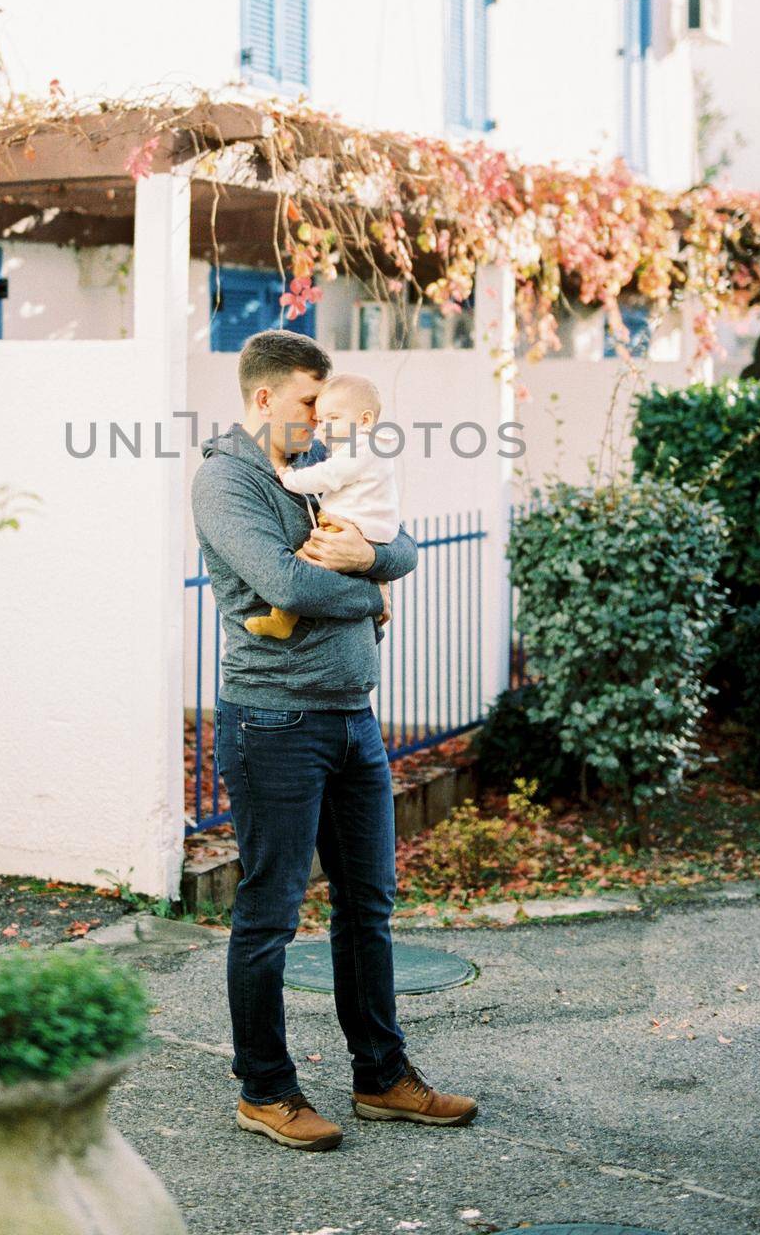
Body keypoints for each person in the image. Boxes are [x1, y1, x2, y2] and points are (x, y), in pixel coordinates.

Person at [191, 330, 478, 1152]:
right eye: (310, 402)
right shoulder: (227, 479)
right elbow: (282, 583)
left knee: (369, 906)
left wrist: (368, 556)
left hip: (354, 715)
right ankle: (265, 1091)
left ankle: (382, 1078)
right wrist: (368, 592)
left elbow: (404, 546)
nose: (324, 416)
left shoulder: (331, 463)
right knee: (270, 914)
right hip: (273, 720)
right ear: (263, 399)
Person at [246, 371, 400, 641]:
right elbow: (287, 586)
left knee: (307, 559)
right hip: (369, 529)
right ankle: (375, 610)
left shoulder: (358, 449)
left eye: (333, 419)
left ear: (364, 420)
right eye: (315, 410)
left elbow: (327, 475)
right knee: (359, 574)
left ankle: (282, 620)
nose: (320, 424)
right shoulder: (360, 447)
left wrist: (289, 478)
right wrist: (374, 590)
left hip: (348, 526)